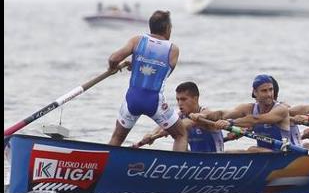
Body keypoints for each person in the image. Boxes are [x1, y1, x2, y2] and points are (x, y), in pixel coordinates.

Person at [107, 10, 187, 149]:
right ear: (167, 29)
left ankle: (104, 164)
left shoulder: (137, 40)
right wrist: (139, 65)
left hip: (132, 99)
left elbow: (113, 59)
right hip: (154, 102)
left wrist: (114, 67)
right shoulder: (173, 49)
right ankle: (177, 166)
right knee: (180, 135)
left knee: (117, 137)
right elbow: (164, 73)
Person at [191, 75, 297, 152]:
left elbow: (256, 119)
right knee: (229, 153)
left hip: (285, 154)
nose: (269, 94)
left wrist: (230, 123)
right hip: (265, 155)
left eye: (271, 90)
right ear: (255, 92)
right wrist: (204, 115)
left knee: (252, 149)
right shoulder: (248, 108)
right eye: (264, 91)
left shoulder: (281, 109)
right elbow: (223, 113)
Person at [134, 81, 223, 152]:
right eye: (178, 99)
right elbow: (163, 125)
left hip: (215, 161)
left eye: (183, 99)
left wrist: (169, 129)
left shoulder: (206, 113)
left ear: (195, 99)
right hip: (195, 161)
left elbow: (187, 123)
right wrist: (151, 135)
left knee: (177, 131)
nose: (180, 103)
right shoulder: (180, 116)